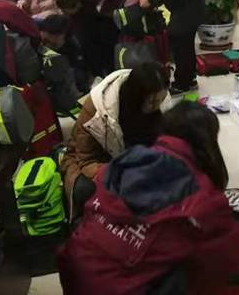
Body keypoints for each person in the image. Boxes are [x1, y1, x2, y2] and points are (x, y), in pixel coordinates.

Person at [58, 101, 239, 295]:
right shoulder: (200, 197)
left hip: (76, 286)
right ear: (207, 143)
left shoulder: (126, 161)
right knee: (203, 261)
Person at [61, 62, 171, 211]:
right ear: (136, 97)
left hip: (132, 158)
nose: (157, 106)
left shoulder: (159, 98)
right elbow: (86, 162)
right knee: (89, 192)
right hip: (98, 161)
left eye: (161, 100)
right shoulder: (98, 109)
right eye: (152, 102)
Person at [38, 14, 91, 94]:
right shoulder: (32, 32)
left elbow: (80, 73)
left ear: (65, 40)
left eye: (53, 45)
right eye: (45, 41)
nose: (48, 48)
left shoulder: (73, 49)